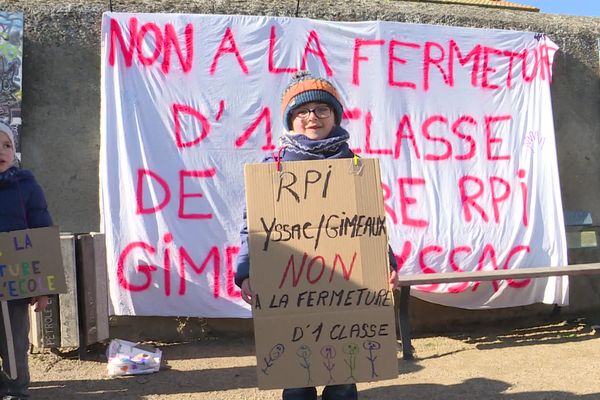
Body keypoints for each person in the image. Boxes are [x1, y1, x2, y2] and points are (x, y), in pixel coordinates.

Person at [235, 71, 398, 400]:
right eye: (302, 111)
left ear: (335, 115)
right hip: (291, 294)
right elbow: (252, 223)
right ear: (290, 119)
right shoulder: (273, 167)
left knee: (343, 377)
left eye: (322, 109)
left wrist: (386, 262)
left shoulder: (354, 165)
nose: (312, 117)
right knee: (296, 379)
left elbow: (369, 225)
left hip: (346, 298)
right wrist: (246, 271)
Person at [0, 122, 51, 400]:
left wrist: (42, 287)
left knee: (14, 341)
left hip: (15, 284)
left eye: (6, 145)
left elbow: (41, 233)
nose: (1, 151)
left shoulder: (27, 186)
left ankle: (16, 391)